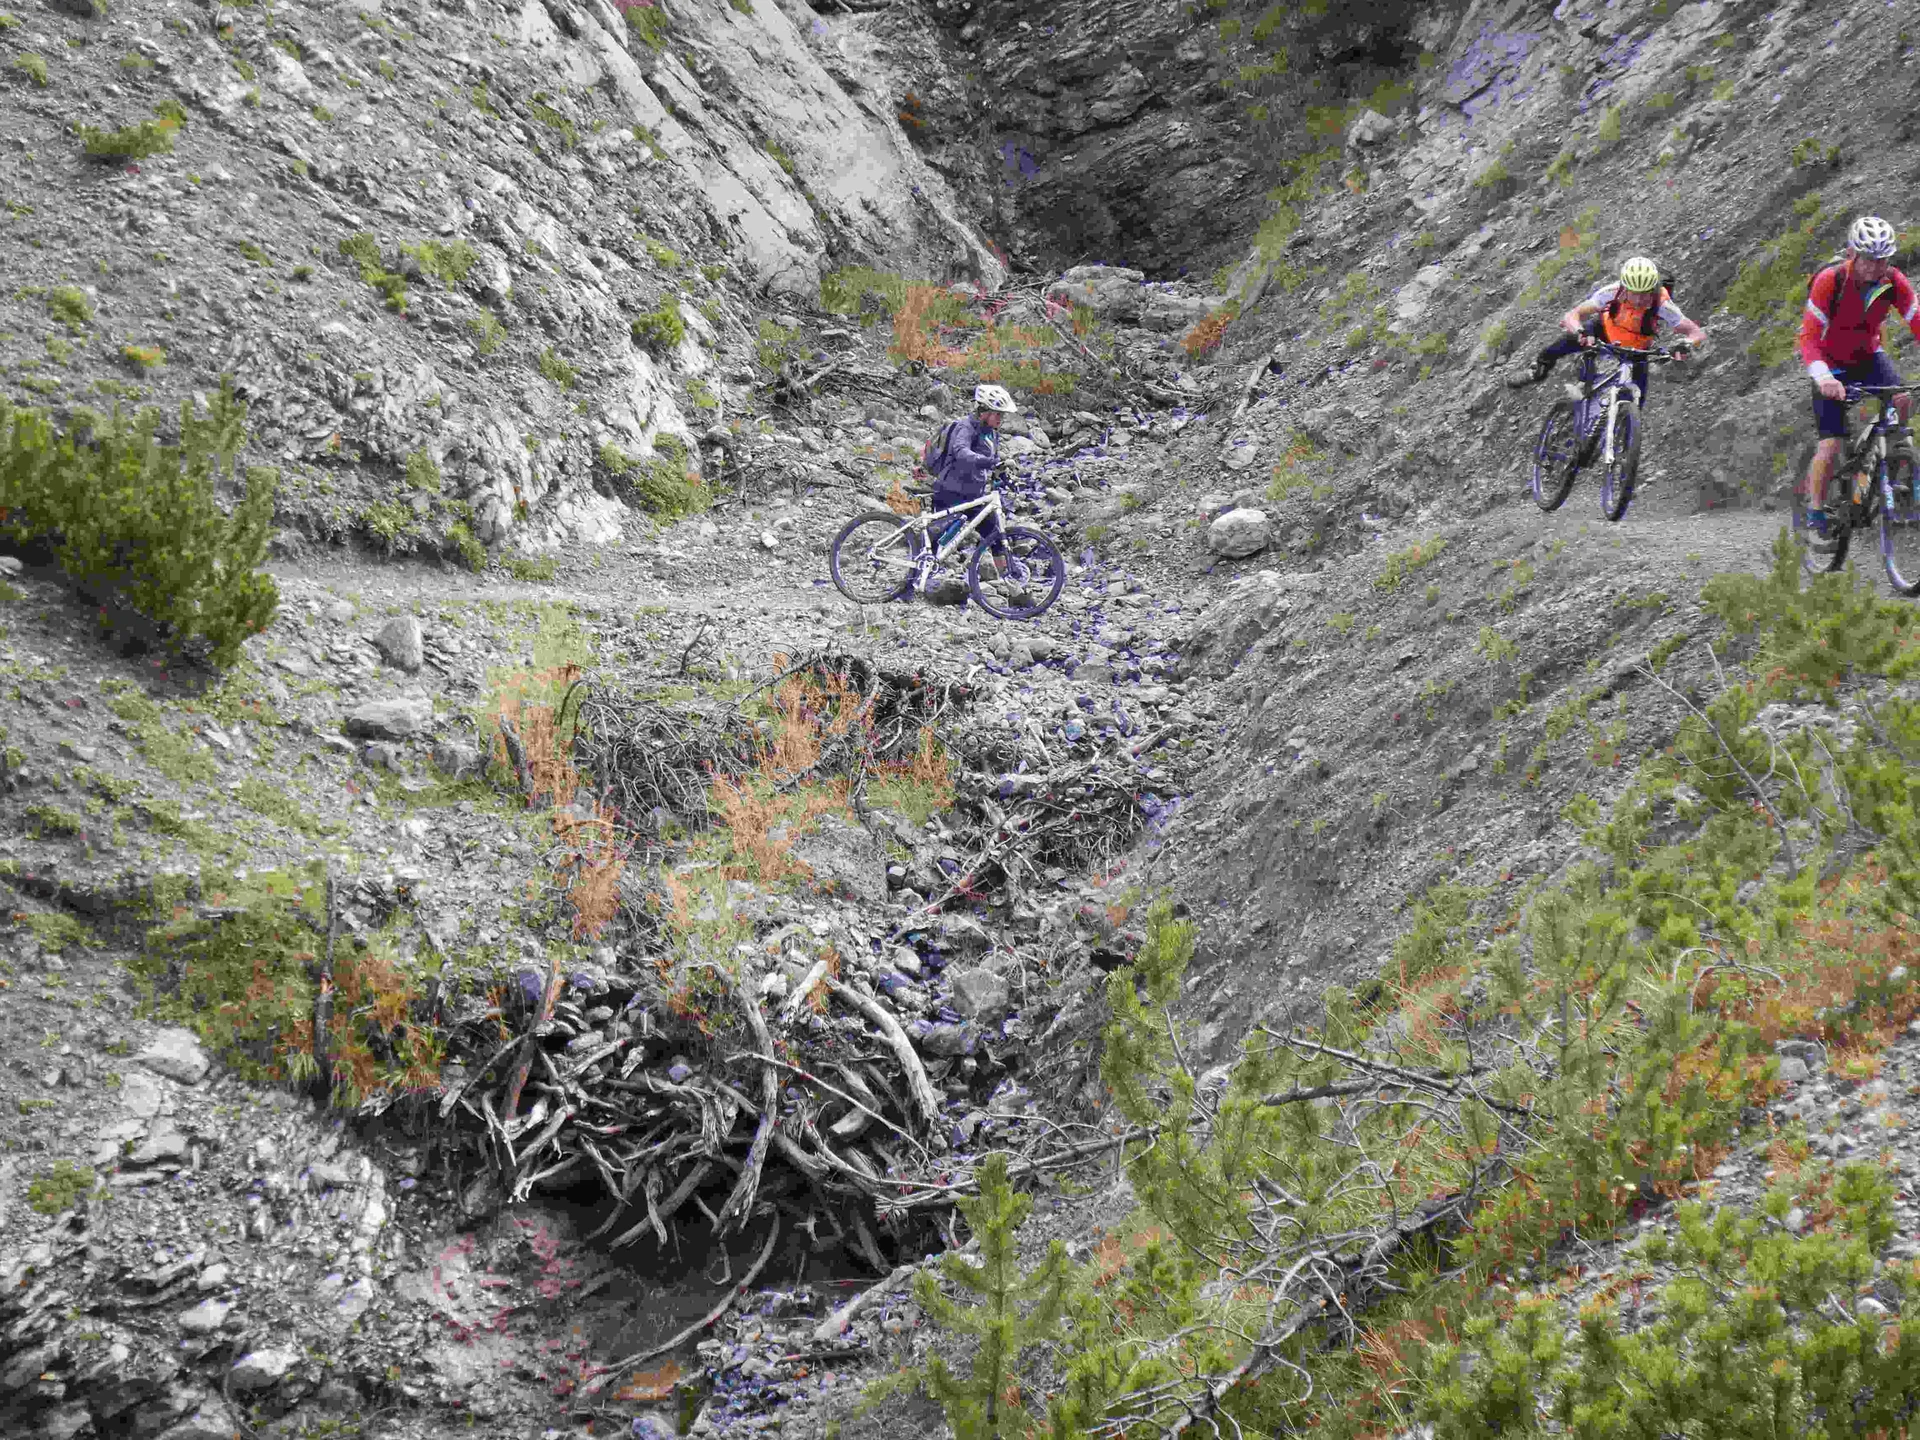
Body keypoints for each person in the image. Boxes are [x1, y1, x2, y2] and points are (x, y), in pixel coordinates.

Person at [1798, 215, 1920, 546]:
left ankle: (1889, 466)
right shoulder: (1831, 280)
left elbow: (1917, 321)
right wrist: (1823, 377)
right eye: (1869, 258)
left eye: (1882, 259)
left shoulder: (1893, 281)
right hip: (1830, 364)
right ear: (1853, 253)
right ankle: (1815, 511)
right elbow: (1808, 337)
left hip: (1868, 357)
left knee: (1903, 400)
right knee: (1832, 442)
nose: (1875, 267)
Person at [1506, 255, 1706, 409]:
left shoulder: (1662, 304)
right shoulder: (1612, 291)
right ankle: (1538, 371)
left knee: (1636, 402)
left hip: (1636, 349)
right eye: (1633, 293)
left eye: (1644, 294)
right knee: (1560, 345)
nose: (1638, 300)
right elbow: (1574, 315)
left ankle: (1617, 434)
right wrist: (1580, 332)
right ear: (1624, 287)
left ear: (1653, 289)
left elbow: (1696, 333)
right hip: (1603, 331)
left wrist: (1686, 344)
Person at [922, 383, 1018, 583]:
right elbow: (961, 452)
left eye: (1002, 415)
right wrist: (987, 462)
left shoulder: (991, 433)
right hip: (951, 492)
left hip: (974, 496)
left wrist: (1002, 475)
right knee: (936, 541)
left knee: (995, 536)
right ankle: (913, 580)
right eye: (997, 414)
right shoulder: (966, 427)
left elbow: (990, 462)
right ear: (984, 411)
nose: (1001, 419)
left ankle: (1010, 584)